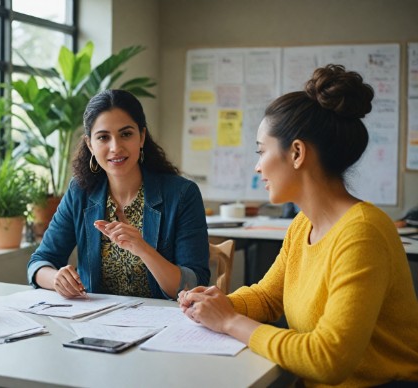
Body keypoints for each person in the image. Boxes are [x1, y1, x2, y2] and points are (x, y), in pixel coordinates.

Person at [178, 64, 418, 386]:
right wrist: (214, 305)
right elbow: (267, 297)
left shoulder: (363, 234)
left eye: (261, 152)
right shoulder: (303, 223)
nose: (257, 166)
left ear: (297, 153)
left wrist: (230, 321)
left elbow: (328, 358)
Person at [27, 89, 210, 300]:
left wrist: (143, 249)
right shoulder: (80, 192)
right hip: (96, 323)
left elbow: (194, 284)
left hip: (164, 324)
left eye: (126, 134)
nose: (115, 147)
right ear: (90, 145)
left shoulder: (182, 194)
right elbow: (39, 262)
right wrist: (56, 278)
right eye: (103, 137)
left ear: (141, 137)